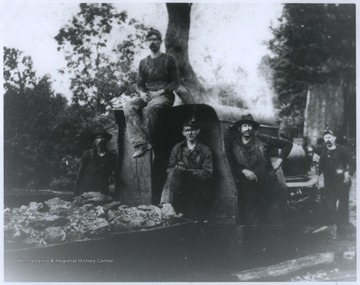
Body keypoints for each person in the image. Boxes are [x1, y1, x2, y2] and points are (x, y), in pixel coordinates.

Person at [123, 28, 180, 158]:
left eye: (155, 39)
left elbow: (175, 82)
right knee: (128, 106)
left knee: (151, 108)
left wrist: (161, 91)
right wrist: (142, 93)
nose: (152, 42)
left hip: (164, 96)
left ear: (160, 42)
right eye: (149, 40)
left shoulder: (169, 59)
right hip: (148, 95)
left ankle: (155, 145)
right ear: (146, 42)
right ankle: (140, 143)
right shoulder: (144, 62)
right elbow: (140, 84)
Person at [230, 114, 293, 225]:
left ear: (253, 128)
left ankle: (276, 241)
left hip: (268, 185)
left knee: (273, 218)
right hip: (249, 187)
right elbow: (232, 165)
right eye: (244, 125)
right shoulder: (233, 144)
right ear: (239, 128)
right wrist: (243, 171)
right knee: (253, 220)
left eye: (250, 126)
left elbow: (287, 144)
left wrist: (279, 161)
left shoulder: (262, 139)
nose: (247, 128)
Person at [160, 119, 213, 220]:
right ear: (183, 133)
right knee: (174, 171)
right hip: (180, 186)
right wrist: (177, 168)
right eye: (187, 130)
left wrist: (186, 170)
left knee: (194, 220)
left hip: (199, 188)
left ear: (198, 131)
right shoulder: (177, 148)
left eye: (193, 130)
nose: (190, 132)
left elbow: (207, 174)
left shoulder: (206, 150)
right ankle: (165, 205)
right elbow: (169, 170)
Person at [318, 127, 355, 237]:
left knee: (343, 207)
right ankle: (342, 225)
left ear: (334, 138)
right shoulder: (322, 150)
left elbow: (353, 163)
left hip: (342, 182)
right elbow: (320, 166)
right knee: (331, 208)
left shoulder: (342, 149)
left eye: (329, 137)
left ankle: (342, 233)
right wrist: (317, 177)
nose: (327, 139)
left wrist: (348, 173)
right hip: (329, 183)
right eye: (325, 138)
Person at [74, 127, 116, 196]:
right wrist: (76, 194)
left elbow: (114, 175)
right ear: (94, 140)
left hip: (102, 192)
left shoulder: (111, 156)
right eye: (98, 138)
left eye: (103, 137)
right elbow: (80, 174)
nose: (101, 140)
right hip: (86, 191)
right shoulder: (87, 154)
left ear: (106, 140)